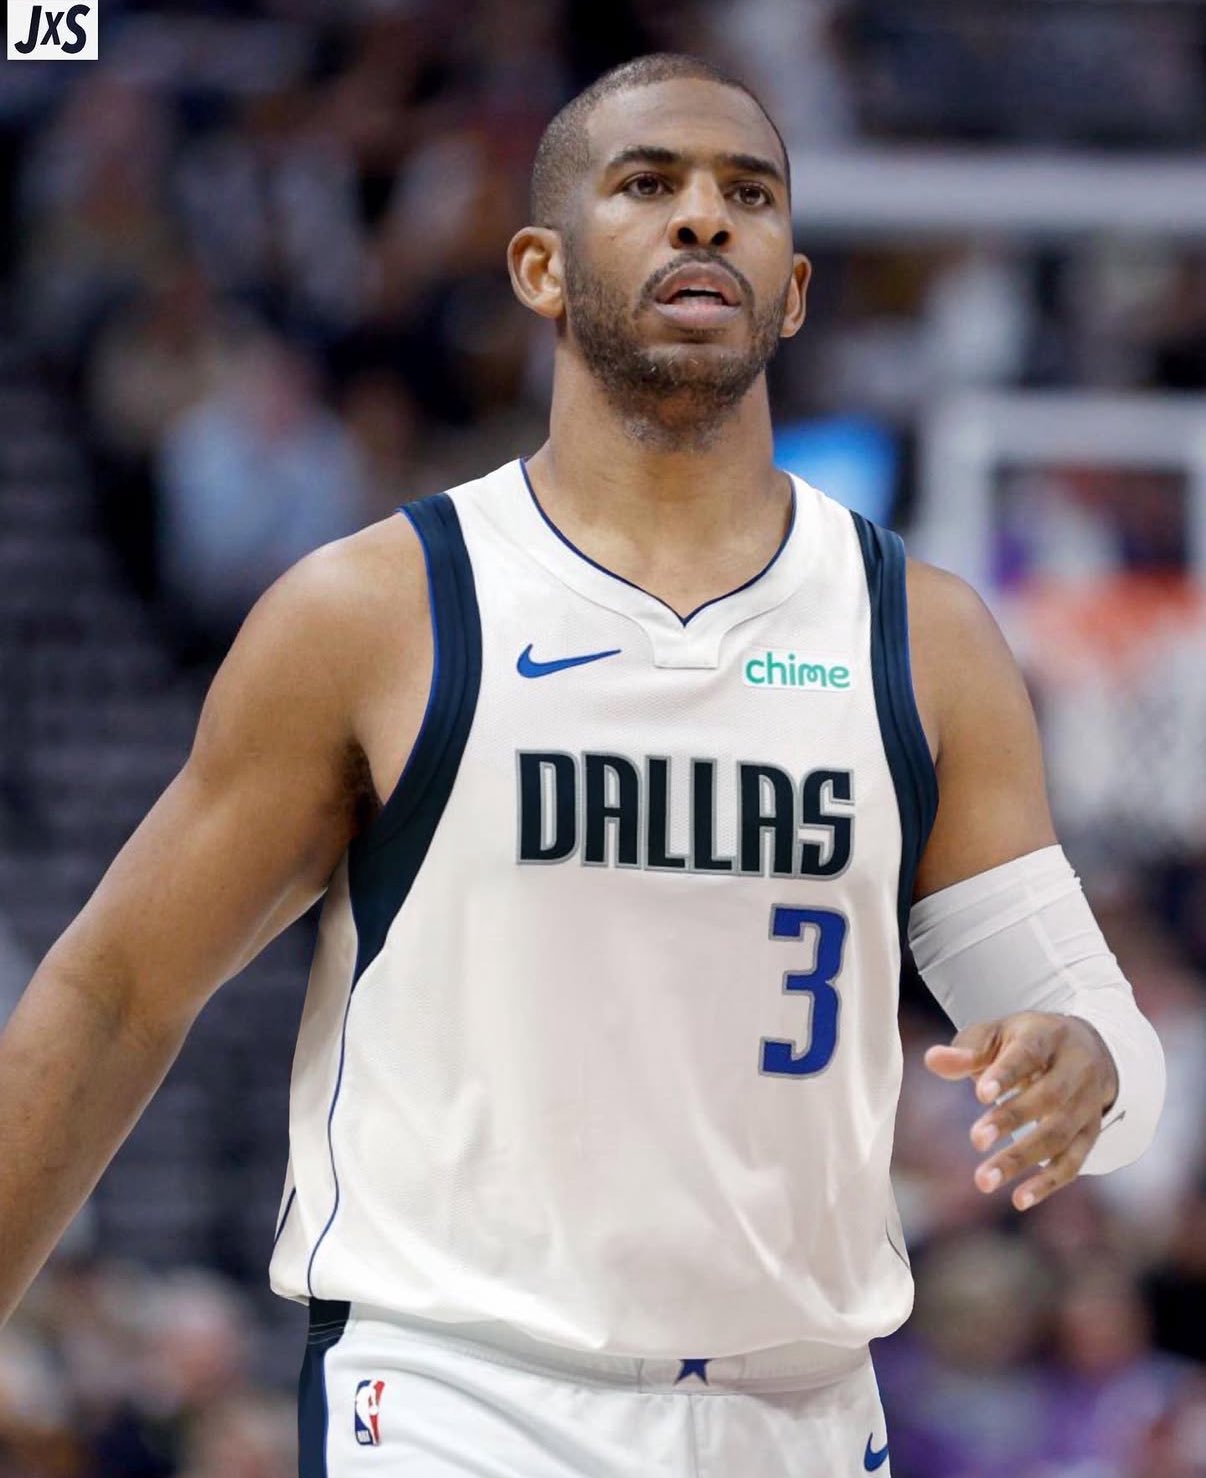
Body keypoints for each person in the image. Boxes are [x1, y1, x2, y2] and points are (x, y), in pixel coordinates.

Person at [0, 53, 1166, 1478]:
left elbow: (1109, 1061)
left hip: (798, 1409)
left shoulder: (920, 637)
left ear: (795, 290)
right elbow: (116, 993)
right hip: (458, 1396)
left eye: (748, 194)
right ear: (539, 270)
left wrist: (1084, 1067)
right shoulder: (380, 612)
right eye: (647, 183)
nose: (703, 217)